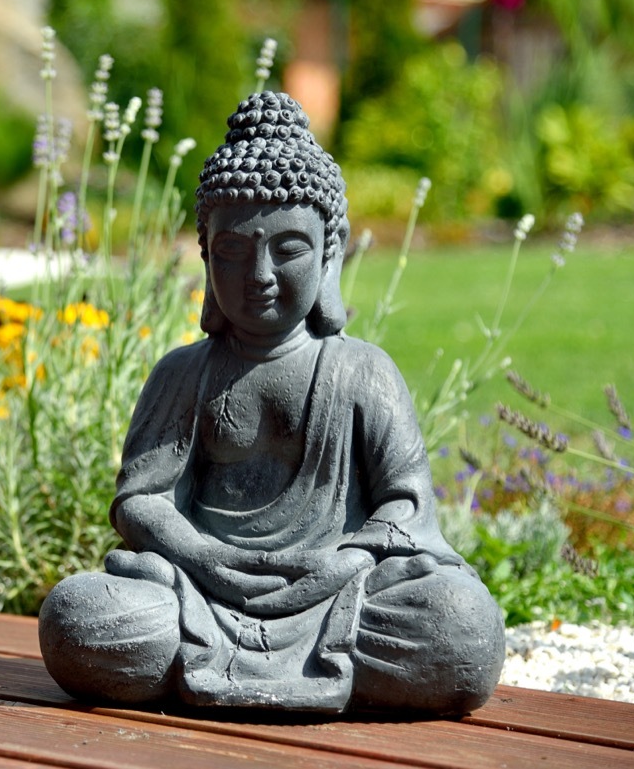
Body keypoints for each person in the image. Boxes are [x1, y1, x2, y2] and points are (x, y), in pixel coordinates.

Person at [38, 91, 505, 715]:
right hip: (199, 591)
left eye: (287, 249)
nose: (258, 273)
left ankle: (284, 662)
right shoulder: (184, 373)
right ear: (206, 256)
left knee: (461, 626)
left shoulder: (362, 370)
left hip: (340, 590)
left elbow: (407, 500)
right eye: (233, 250)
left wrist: (348, 560)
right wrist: (204, 554)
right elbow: (142, 499)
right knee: (80, 616)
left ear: (329, 254)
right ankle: (238, 658)